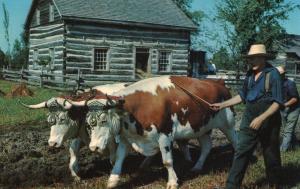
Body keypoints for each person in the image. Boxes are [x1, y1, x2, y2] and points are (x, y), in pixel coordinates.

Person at [210, 44, 283, 189]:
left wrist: (261, 118)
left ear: (263, 58)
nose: (252, 61)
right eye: (250, 58)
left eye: (255, 58)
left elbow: (278, 103)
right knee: (241, 151)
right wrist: (222, 105)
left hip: (269, 119)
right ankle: (231, 186)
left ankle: (275, 184)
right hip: (249, 117)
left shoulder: (272, 74)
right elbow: (242, 96)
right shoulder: (249, 75)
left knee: (271, 154)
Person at [276, 66, 300, 152]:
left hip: (293, 109)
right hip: (283, 109)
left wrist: (284, 105)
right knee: (287, 129)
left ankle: (283, 151)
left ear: (283, 74)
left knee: (287, 130)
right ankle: (295, 146)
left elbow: (295, 99)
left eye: (280, 74)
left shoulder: (290, 83)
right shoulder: (276, 84)